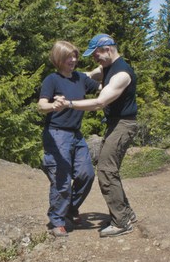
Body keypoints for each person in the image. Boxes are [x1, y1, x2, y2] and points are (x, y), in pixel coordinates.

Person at [55, 33, 138, 237]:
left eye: (96, 54)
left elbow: (100, 102)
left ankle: (122, 222)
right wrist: (67, 76)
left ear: (108, 49)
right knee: (109, 169)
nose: (95, 58)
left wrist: (69, 104)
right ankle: (126, 213)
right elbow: (90, 75)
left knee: (106, 170)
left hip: (123, 125)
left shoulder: (121, 74)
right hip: (115, 124)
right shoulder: (106, 67)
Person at [38, 41, 101, 238]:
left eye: (75, 56)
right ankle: (57, 219)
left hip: (76, 134)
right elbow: (41, 105)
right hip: (56, 134)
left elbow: (100, 86)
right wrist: (53, 106)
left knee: (86, 175)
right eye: (68, 57)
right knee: (62, 179)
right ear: (59, 59)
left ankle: (70, 209)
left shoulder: (80, 78)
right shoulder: (52, 79)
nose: (73, 60)